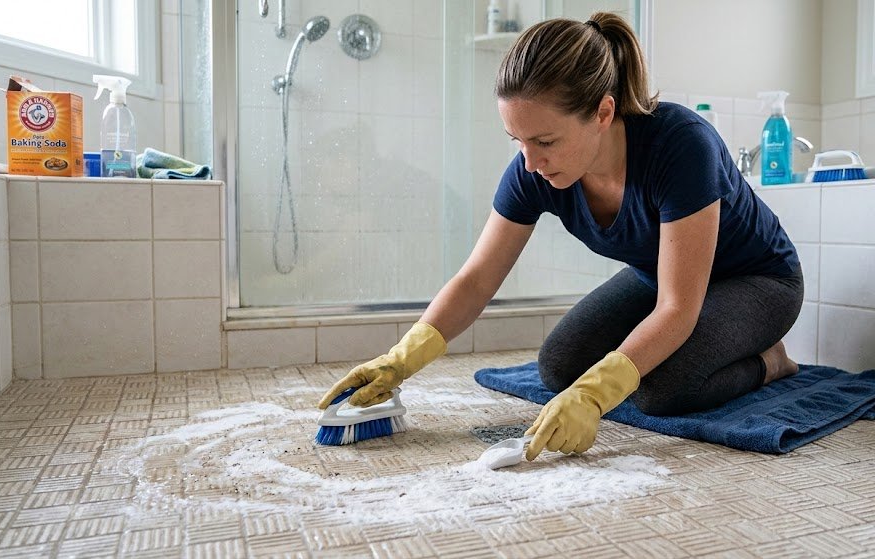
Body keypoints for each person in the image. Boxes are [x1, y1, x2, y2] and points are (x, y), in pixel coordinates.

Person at [318, 12, 804, 462]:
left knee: (664, 390)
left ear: (603, 112)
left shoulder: (681, 145)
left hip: (758, 281)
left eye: (544, 141)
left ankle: (771, 360)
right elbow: (476, 278)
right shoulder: (533, 169)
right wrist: (402, 358)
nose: (529, 161)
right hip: (662, 278)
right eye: (518, 141)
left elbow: (678, 308)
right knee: (559, 366)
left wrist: (596, 394)